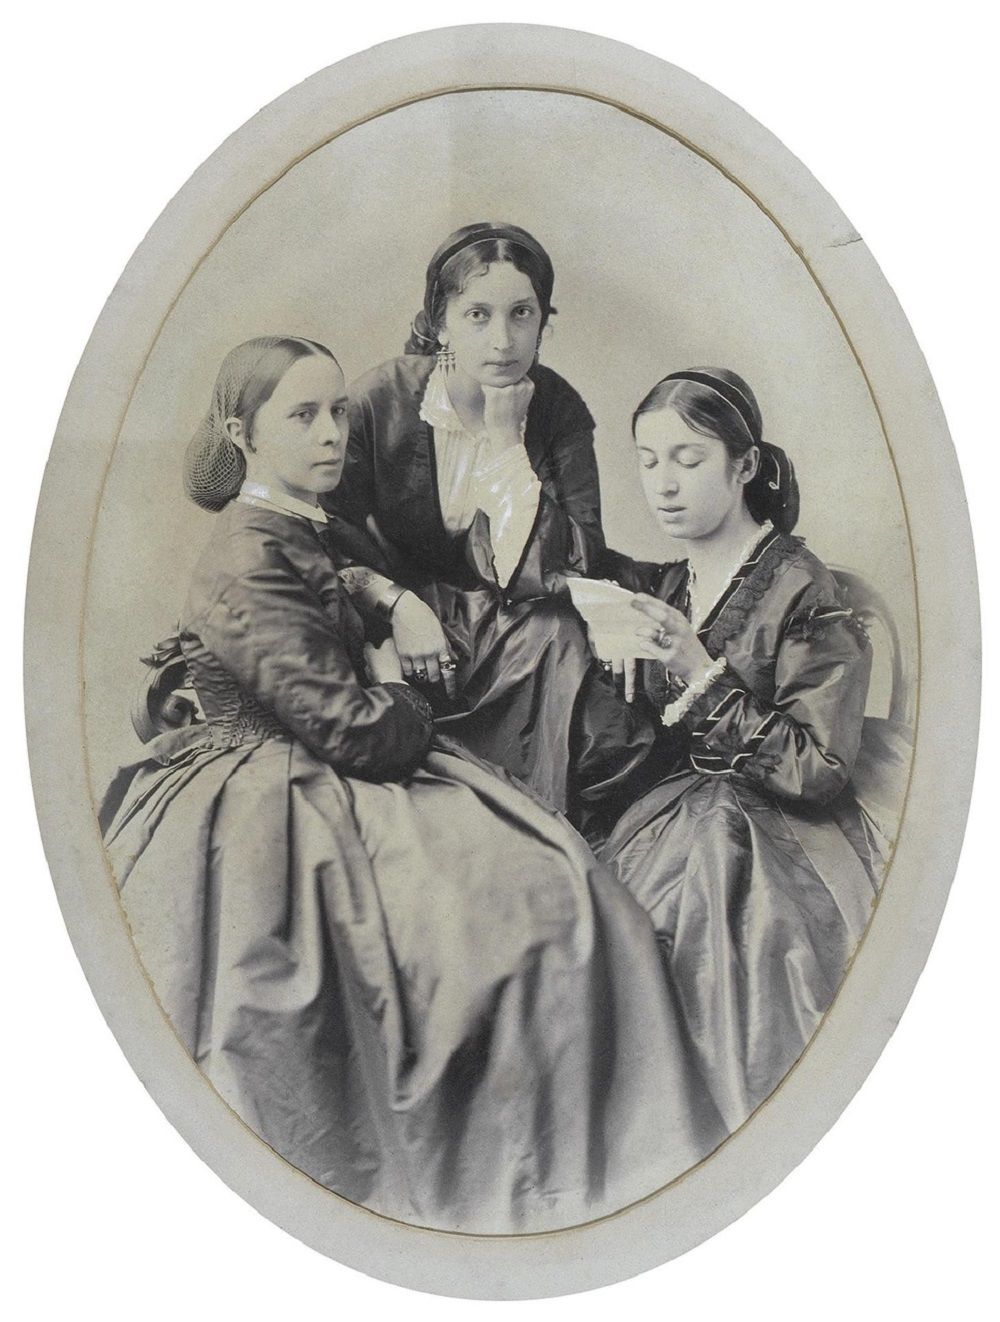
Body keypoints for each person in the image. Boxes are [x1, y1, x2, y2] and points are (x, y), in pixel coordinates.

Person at [101, 337, 726, 1236]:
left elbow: (343, 576)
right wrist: (397, 681)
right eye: (302, 416)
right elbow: (353, 728)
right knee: (527, 915)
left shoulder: (302, 525)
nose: (331, 434)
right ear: (243, 434)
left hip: (330, 764)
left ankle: (582, 1164)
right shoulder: (244, 553)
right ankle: (527, 1176)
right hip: (280, 795)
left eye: (338, 411)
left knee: (558, 881)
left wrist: (389, 598)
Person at [597, 368, 883, 1133]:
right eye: (648, 461)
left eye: (688, 460)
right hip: (684, 813)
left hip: (781, 833)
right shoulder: (673, 581)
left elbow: (819, 769)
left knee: (707, 950)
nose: (663, 484)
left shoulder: (802, 589)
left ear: (745, 465)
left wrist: (699, 672)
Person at [321, 222, 653, 824]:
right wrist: (399, 605)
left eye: (521, 314)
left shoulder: (557, 409)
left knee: (573, 658)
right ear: (440, 322)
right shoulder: (382, 400)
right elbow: (322, 529)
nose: (502, 340)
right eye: (477, 315)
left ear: (543, 322)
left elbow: (575, 556)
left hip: (511, 622)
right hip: (395, 622)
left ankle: (539, 830)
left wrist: (505, 441)